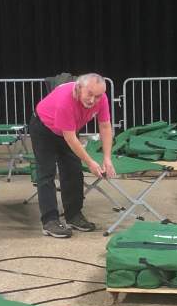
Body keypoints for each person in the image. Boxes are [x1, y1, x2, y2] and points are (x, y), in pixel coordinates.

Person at [29, 72, 116, 238]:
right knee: (46, 173)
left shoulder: (102, 99)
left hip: (68, 129)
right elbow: (70, 138)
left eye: (98, 96)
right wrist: (90, 162)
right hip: (43, 129)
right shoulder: (66, 100)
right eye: (90, 94)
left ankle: (74, 215)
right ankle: (50, 221)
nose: (93, 100)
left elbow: (105, 126)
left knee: (74, 170)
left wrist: (107, 158)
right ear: (79, 87)